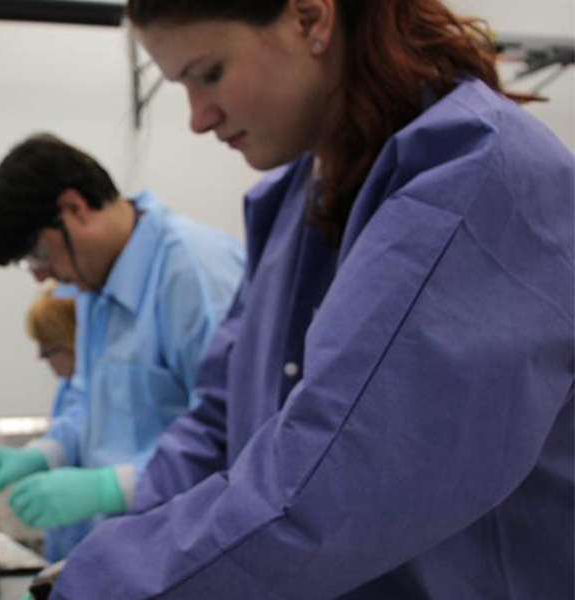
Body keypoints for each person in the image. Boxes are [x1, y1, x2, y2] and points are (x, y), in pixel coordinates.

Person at [47, 0, 575, 598]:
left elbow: (332, 484)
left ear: (310, 18)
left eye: (209, 73)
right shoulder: (295, 205)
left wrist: (114, 582)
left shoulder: (477, 178)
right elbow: (219, 428)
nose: (198, 117)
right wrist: (121, 542)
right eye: (180, 86)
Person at [0, 133, 244, 550]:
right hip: (121, 558)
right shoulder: (93, 290)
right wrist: (45, 453)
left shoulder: (193, 275)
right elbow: (90, 407)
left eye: (39, 254)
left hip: (187, 554)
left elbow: (238, 436)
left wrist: (110, 488)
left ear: (74, 208)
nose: (41, 276)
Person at [22, 284, 90, 562]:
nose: (41, 357)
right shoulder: (68, 386)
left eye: (49, 349)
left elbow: (80, 424)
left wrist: (42, 453)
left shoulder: (100, 387)